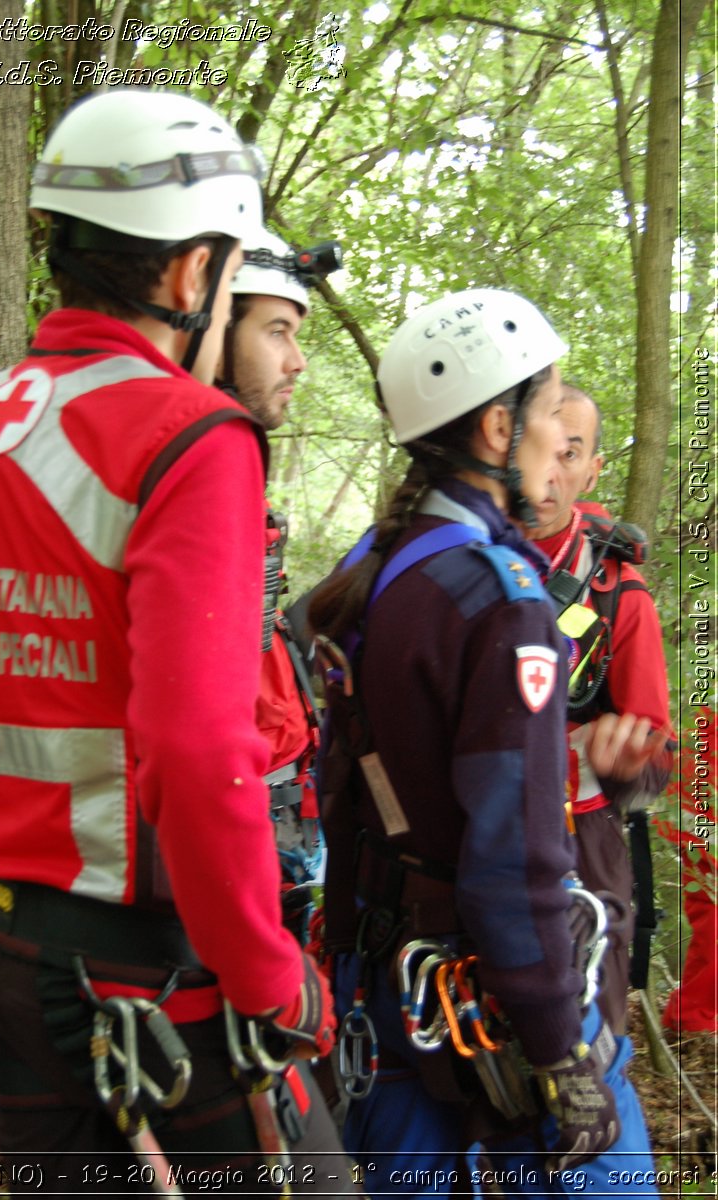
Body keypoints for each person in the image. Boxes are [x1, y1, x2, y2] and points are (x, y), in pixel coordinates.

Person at [0, 91, 349, 1194]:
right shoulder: (189, 439)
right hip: (147, 969)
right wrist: (272, 977)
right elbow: (198, 756)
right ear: (192, 276)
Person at [308, 291, 658, 1196]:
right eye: (551, 417)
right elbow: (516, 855)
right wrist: (561, 1050)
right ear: (500, 428)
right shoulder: (500, 597)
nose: (562, 443)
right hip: (486, 997)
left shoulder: (372, 568)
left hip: (385, 984)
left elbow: (348, 790)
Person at [530, 384, 673, 1034]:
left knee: (593, 1032)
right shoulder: (456, 556)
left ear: (593, 469)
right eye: (539, 446)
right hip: (465, 833)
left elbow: (657, 757)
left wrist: (627, 759)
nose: (548, 472)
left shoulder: (618, 592)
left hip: (582, 840)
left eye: (571, 453)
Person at [218, 229, 342, 942]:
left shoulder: (233, 472)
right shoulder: (180, 476)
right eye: (276, 332)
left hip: (281, 805)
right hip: (238, 831)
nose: (297, 361)